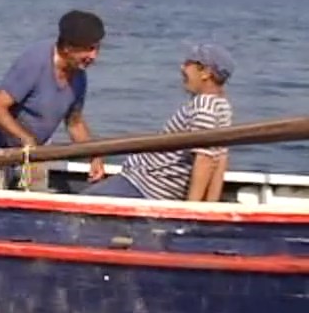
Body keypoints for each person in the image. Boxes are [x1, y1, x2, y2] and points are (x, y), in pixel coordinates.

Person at [0, 10, 107, 192]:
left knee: (37, 200)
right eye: (88, 49)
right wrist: (27, 140)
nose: (94, 56)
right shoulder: (35, 62)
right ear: (68, 47)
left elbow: (74, 123)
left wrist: (94, 157)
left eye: (97, 48)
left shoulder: (79, 76)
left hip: (34, 153)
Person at [82, 43, 234, 202]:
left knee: (81, 205)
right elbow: (219, 160)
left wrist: (192, 208)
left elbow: (204, 160)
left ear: (205, 73)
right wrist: (211, 204)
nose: (182, 68)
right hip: (149, 184)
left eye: (188, 63)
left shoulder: (203, 106)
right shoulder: (222, 105)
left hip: (143, 185)